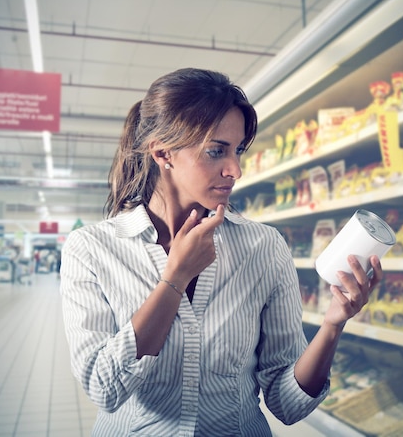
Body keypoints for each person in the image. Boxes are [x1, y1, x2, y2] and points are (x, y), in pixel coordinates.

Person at [60, 68, 382, 436]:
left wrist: (333, 323)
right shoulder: (91, 249)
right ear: (163, 152)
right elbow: (104, 388)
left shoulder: (263, 247)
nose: (236, 169)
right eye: (216, 151)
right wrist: (174, 279)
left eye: (238, 150)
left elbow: (287, 403)